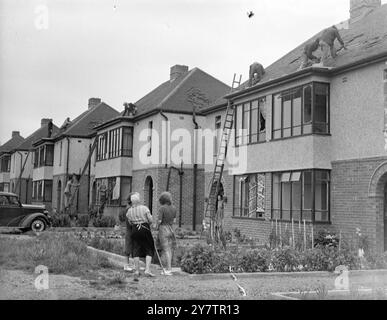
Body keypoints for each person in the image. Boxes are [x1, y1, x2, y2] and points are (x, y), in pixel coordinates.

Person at [126, 192, 155, 277]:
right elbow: (150, 219)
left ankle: (137, 271)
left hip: (135, 229)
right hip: (144, 228)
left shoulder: (129, 211)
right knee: (149, 248)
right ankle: (147, 269)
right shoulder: (144, 208)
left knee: (136, 249)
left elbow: (130, 222)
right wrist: (147, 223)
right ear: (139, 201)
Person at [156, 192, 177, 276]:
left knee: (165, 249)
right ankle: (168, 267)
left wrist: (156, 226)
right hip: (171, 228)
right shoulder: (174, 208)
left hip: (163, 229)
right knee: (170, 249)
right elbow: (174, 221)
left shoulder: (162, 208)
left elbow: (159, 221)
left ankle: (168, 269)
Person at [123, 192, 135, 272]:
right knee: (128, 248)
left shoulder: (133, 208)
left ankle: (134, 264)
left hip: (134, 230)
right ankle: (126, 265)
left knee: (135, 248)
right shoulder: (129, 209)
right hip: (130, 230)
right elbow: (129, 221)